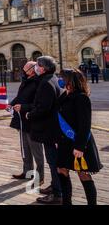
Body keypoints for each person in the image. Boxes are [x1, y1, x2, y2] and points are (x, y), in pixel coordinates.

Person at [56, 69, 103, 205]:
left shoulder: (81, 97)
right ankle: (66, 201)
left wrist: (80, 146)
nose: (60, 80)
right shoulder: (64, 95)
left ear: (70, 80)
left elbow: (85, 124)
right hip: (64, 141)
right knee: (61, 169)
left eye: (62, 78)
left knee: (82, 173)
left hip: (79, 142)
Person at [26, 56, 63, 204]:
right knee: (52, 161)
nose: (36, 67)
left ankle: (57, 193)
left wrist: (30, 113)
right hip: (50, 128)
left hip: (49, 129)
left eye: (38, 65)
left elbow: (43, 108)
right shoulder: (50, 79)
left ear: (43, 68)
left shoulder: (47, 83)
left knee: (53, 161)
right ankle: (55, 186)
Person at [9, 61, 44, 185]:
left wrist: (23, 107)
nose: (23, 71)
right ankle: (27, 172)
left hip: (32, 120)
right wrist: (12, 103)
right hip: (21, 120)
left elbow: (37, 104)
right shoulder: (26, 80)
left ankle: (39, 177)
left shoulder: (38, 82)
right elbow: (20, 96)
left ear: (32, 69)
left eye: (25, 69)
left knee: (36, 150)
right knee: (25, 148)